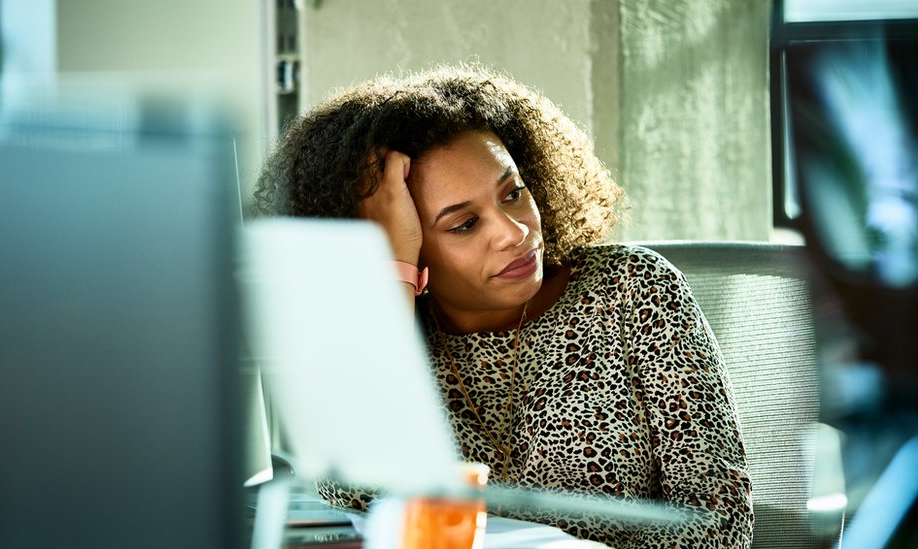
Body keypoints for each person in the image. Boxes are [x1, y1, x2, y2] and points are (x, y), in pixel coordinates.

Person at [253, 64, 754, 548]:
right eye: (463, 224)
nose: (514, 232)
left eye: (513, 193)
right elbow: (353, 496)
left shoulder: (632, 290)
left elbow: (718, 521)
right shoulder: (384, 338)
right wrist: (392, 279)